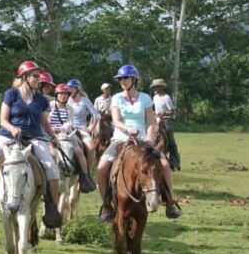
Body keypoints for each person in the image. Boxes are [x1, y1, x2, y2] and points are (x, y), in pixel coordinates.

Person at [0, 60, 62, 228]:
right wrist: (12, 128)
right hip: (8, 136)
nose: (38, 79)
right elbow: (3, 120)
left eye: (39, 76)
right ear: (24, 77)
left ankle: (52, 208)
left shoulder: (41, 100)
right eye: (35, 76)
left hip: (34, 138)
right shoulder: (11, 94)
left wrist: (53, 137)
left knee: (51, 167)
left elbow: (45, 123)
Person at [97, 65, 183, 222]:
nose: (122, 81)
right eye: (120, 79)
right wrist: (127, 129)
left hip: (143, 139)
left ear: (134, 79)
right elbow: (116, 121)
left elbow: (150, 122)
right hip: (120, 138)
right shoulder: (116, 98)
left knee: (164, 164)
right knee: (101, 167)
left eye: (125, 78)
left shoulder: (145, 98)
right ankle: (107, 206)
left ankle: (170, 202)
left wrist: (149, 136)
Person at [50, 84, 96, 192]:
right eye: (61, 94)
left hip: (66, 134)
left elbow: (70, 123)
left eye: (66, 94)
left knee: (79, 152)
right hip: (51, 134)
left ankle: (85, 176)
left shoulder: (69, 108)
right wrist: (52, 128)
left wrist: (62, 128)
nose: (63, 96)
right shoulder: (50, 105)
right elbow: (45, 119)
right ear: (56, 95)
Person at [65, 78, 99, 190]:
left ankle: (87, 174)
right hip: (67, 129)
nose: (69, 90)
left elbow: (96, 115)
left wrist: (90, 128)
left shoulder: (84, 101)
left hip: (81, 129)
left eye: (71, 88)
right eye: (68, 88)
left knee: (90, 147)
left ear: (77, 89)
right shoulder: (66, 100)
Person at [150, 78, 181, 170]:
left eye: (157, 87)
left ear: (162, 87)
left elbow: (172, 111)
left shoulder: (166, 97)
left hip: (166, 120)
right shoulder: (155, 97)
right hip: (156, 119)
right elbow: (153, 108)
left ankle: (175, 161)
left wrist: (164, 113)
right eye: (155, 87)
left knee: (170, 140)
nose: (156, 89)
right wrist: (153, 114)